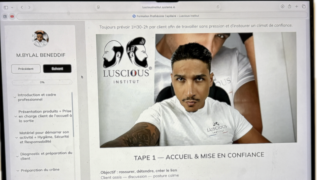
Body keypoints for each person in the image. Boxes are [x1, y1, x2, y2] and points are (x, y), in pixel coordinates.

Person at [101, 43, 269, 147]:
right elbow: (128, 141)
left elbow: (267, 152)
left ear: (211, 80)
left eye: (199, 79)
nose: (190, 92)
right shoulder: (158, 113)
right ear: (172, 80)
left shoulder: (227, 113)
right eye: (181, 79)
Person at [155, 32, 262, 132]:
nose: (208, 49)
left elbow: (253, 138)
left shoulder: (236, 62)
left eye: (221, 35)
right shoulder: (148, 72)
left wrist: (249, 37)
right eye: (201, 30)